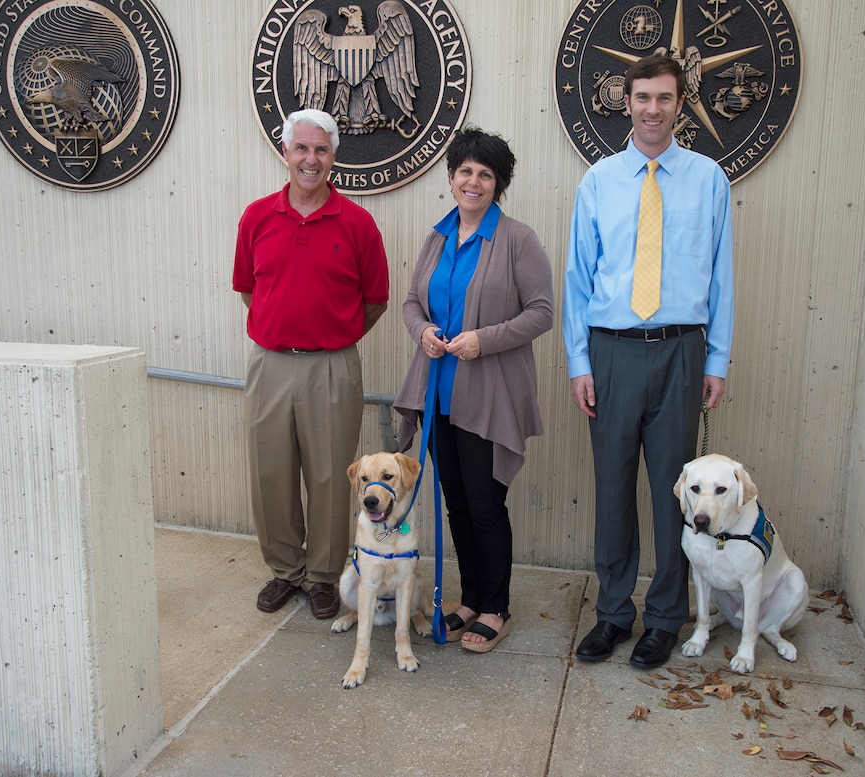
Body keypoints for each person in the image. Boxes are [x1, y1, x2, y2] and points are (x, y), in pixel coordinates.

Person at [563, 55, 734, 668]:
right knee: (612, 489)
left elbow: (721, 277)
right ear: (627, 102)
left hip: (682, 352)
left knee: (676, 494)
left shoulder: (709, 178)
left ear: (680, 104)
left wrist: (716, 358)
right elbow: (578, 281)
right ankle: (613, 613)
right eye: (642, 97)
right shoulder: (599, 181)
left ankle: (665, 617)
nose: (653, 108)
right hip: (611, 352)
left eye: (664, 98)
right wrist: (579, 362)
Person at [394, 127, 553, 653]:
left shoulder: (518, 240)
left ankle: (496, 607)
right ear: (451, 176)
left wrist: (483, 341)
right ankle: (471, 597)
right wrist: (423, 333)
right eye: (465, 170)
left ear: (498, 184)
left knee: (486, 505)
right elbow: (412, 303)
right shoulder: (437, 236)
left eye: (486, 174)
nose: (473, 181)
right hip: (439, 393)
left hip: (487, 397)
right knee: (456, 503)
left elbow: (542, 313)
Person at [233, 109, 390, 619]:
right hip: (270, 364)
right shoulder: (257, 217)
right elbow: (249, 290)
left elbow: (375, 300)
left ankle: (322, 575)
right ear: (285, 153)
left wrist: (333, 338)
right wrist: (286, 329)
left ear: (333, 157)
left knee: (328, 477)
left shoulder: (358, 223)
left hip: (331, 367)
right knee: (271, 473)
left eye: (320, 150)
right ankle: (285, 569)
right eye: (301, 148)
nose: (310, 159)